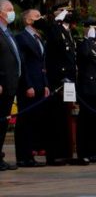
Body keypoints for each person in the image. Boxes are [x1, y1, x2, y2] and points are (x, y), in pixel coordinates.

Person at [44, 3, 81, 166]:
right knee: (57, 118)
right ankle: (55, 154)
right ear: (57, 13)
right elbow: (53, 48)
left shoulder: (67, 32)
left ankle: (66, 152)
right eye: (65, 11)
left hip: (68, 82)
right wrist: (55, 22)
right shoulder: (54, 30)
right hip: (58, 81)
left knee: (67, 117)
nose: (69, 14)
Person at [14, 9, 49, 168]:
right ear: (28, 21)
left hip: (40, 85)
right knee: (25, 122)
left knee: (35, 121)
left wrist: (46, 84)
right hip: (29, 86)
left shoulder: (39, 38)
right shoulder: (22, 38)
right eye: (37, 17)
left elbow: (42, 64)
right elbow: (23, 64)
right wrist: (27, 85)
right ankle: (23, 157)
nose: (40, 19)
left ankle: (30, 155)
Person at [76, 19, 96, 163]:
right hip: (88, 89)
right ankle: (85, 152)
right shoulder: (84, 44)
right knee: (86, 122)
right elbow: (84, 55)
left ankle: (95, 150)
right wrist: (88, 38)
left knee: (95, 122)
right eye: (95, 30)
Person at [0, 0, 20, 171]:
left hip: (11, 84)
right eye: (9, 9)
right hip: (2, 84)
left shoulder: (8, 33)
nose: (13, 12)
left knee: (3, 123)